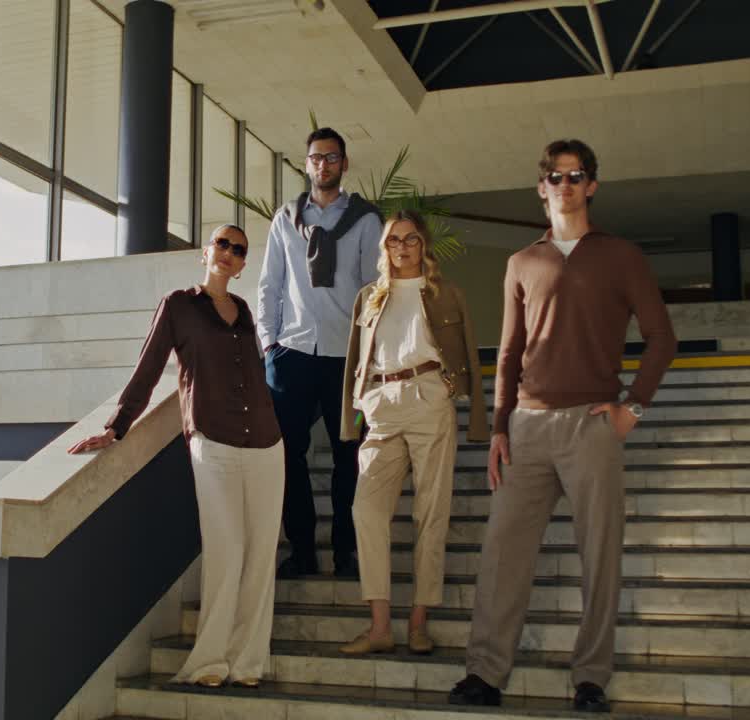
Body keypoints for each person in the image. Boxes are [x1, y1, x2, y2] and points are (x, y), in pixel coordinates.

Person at [449, 140, 675, 712]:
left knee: (600, 553)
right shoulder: (522, 261)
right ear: (542, 187)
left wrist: (633, 408)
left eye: (577, 176)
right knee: (502, 554)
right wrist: (499, 427)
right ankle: (485, 674)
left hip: (591, 425)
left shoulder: (621, 256)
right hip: (527, 427)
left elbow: (661, 338)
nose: (566, 184)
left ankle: (591, 677)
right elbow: (507, 353)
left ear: (591, 185)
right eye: (556, 176)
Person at [68, 225, 283, 690]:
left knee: (261, 554)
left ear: (244, 264)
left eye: (238, 249)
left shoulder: (245, 311)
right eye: (222, 244)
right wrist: (116, 426)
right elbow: (149, 365)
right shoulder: (179, 305)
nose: (228, 252)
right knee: (227, 548)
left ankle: (247, 663)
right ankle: (209, 662)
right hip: (214, 437)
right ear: (205, 252)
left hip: (267, 441)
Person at [334, 209, 489, 656]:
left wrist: (461, 401)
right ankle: (380, 625)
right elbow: (354, 361)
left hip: (428, 398)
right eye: (393, 241)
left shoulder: (445, 293)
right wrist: (357, 409)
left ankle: (419, 621)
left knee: (431, 513)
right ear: (384, 248)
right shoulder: (370, 297)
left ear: (423, 245)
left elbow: (470, 356)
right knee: (366, 510)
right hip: (381, 405)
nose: (402, 247)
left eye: (410, 239)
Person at [257, 127, 383, 579]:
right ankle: (303, 550)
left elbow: (374, 291)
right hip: (291, 352)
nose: (323, 165)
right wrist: (268, 343)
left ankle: (347, 551)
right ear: (306, 163)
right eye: (316, 158)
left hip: (346, 357)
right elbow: (271, 285)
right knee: (289, 454)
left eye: (331, 158)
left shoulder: (367, 220)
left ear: (344, 164)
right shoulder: (285, 220)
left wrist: (371, 353)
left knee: (350, 454)